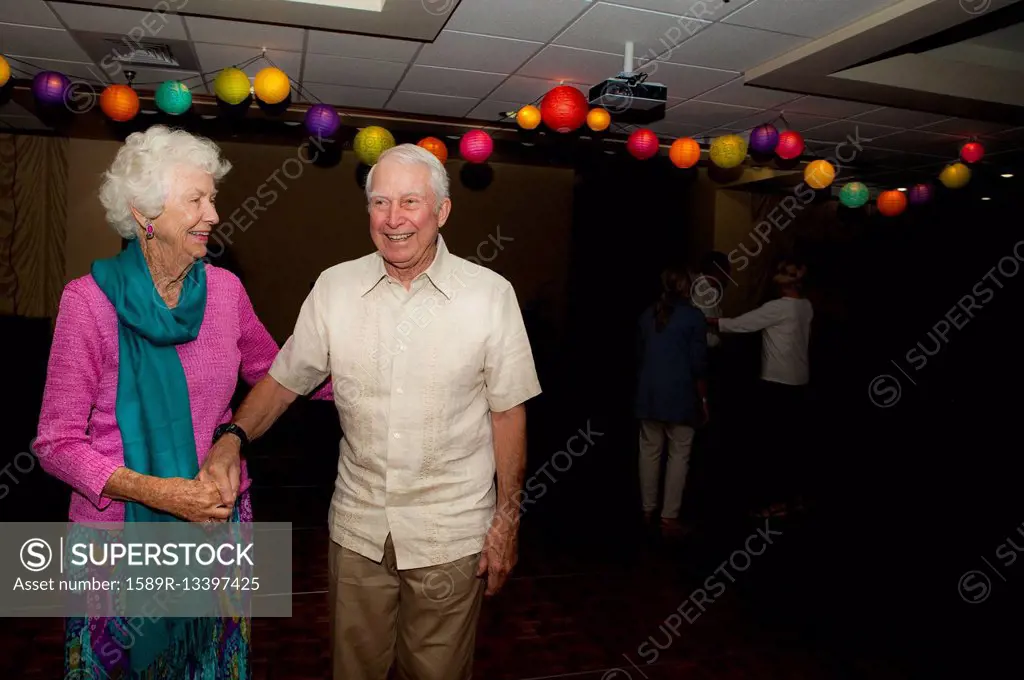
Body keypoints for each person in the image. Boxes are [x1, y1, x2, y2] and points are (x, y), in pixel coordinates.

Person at [203, 143, 542, 680]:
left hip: (450, 534)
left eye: (410, 201)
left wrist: (507, 521)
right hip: (358, 530)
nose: (393, 218)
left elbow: (508, 416)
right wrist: (231, 437)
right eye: (380, 203)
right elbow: (284, 382)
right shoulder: (336, 288)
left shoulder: (489, 297)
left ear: (442, 211)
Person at [33, 125, 329, 678]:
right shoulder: (88, 303)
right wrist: (160, 493)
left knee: (212, 666)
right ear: (145, 214)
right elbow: (56, 444)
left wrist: (372, 377)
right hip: (115, 537)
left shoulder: (225, 293)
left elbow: (279, 372)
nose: (214, 215)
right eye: (197, 199)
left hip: (217, 518)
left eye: (211, 198)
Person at [709, 258, 813, 517]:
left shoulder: (778, 308)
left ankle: (775, 504)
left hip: (777, 383)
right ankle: (795, 498)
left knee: (772, 445)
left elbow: (740, 324)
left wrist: (711, 322)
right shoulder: (806, 307)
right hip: (800, 382)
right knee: (793, 443)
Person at [635, 266, 709, 538]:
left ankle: (647, 510)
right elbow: (698, 363)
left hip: (649, 394)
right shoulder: (694, 317)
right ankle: (669, 516)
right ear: (687, 287)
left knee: (649, 452)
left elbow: (641, 354)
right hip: (681, 396)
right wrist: (703, 399)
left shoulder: (648, 315)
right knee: (680, 455)